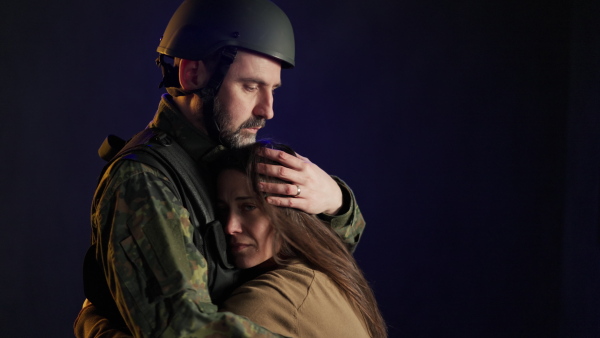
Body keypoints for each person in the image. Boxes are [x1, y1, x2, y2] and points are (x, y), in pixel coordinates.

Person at [74, 0, 366, 337]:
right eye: (251, 86)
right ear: (192, 74)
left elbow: (319, 251)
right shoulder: (144, 182)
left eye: (273, 90)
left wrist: (337, 202)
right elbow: (184, 331)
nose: (267, 110)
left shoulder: (229, 156)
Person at [215, 141, 387, 338]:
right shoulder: (323, 270)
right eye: (222, 210)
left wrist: (337, 200)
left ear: (288, 210)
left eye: (248, 207)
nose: (230, 227)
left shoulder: (268, 300)